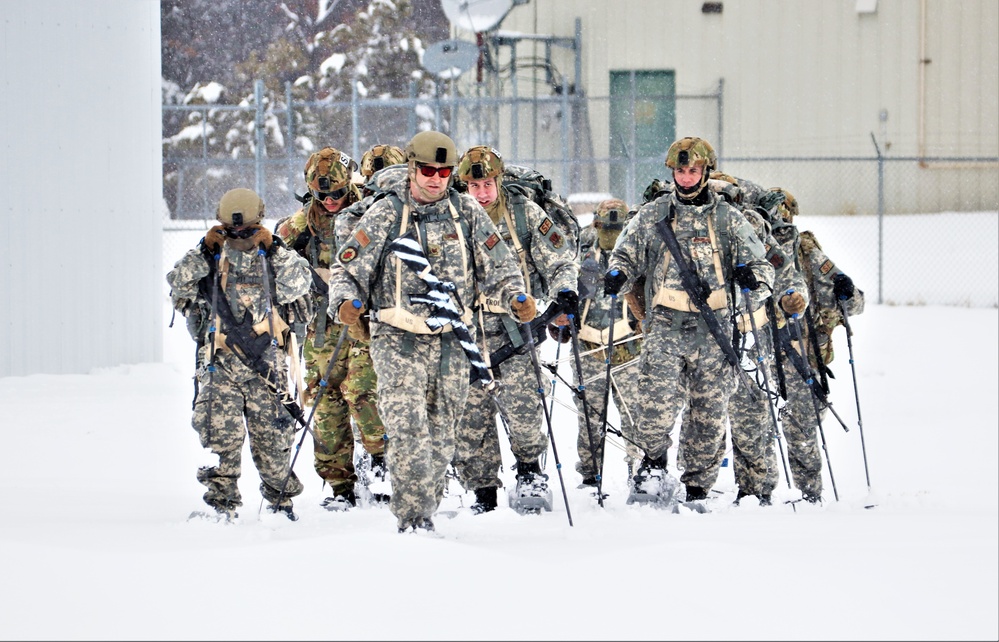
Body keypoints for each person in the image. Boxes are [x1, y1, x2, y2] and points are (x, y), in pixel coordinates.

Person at [327, 131, 530, 533]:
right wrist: (346, 303)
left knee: (441, 435)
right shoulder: (386, 213)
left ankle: (425, 509)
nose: (435, 179)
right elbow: (347, 268)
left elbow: (501, 267)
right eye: (427, 170)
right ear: (412, 170)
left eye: (442, 171)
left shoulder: (467, 212)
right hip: (398, 338)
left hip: (453, 340)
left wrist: (515, 296)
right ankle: (413, 520)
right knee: (408, 429)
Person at [606, 136, 775, 504]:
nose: (685, 177)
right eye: (680, 171)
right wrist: (618, 274)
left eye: (692, 170)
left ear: (705, 172)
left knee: (708, 413)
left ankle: (698, 485)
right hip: (665, 323)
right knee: (654, 404)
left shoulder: (728, 219)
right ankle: (652, 465)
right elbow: (625, 254)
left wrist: (753, 280)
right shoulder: (654, 214)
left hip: (712, 327)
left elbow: (763, 268)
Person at [167, 187, 313, 521]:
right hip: (221, 364)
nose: (241, 238)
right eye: (233, 232)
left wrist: (274, 247)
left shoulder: (274, 254)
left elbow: (299, 286)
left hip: (267, 365)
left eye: (247, 231)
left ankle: (281, 503)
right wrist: (204, 250)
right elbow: (179, 284)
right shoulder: (211, 255)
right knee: (222, 438)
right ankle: (222, 504)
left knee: (273, 441)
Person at [449, 145, 580, 514]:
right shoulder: (450, 216)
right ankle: (483, 491)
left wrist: (564, 290)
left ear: (499, 180)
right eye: (474, 186)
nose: (482, 193)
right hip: (466, 333)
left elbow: (559, 259)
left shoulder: (524, 213)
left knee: (524, 412)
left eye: (488, 183)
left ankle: (529, 472)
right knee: (470, 420)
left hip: (516, 329)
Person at [275, 147, 388, 510]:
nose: (330, 201)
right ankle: (340, 486)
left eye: (337, 194)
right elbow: (275, 263)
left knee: (364, 394)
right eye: (322, 196)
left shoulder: (369, 213)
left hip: (364, 324)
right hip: (321, 330)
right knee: (325, 405)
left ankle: (383, 462)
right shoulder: (299, 226)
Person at [761, 187, 866, 503]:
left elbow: (856, 303)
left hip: (801, 358)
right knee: (754, 432)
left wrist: (845, 291)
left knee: (802, 432)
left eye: (783, 219)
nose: (779, 227)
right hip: (758, 357)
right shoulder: (748, 249)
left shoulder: (808, 255)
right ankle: (756, 496)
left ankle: (810, 498)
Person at [550, 198, 643, 489]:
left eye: (617, 228)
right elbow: (560, 282)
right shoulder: (580, 252)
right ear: (596, 225)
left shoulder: (637, 252)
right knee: (589, 417)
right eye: (606, 227)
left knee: (634, 415)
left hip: (630, 343)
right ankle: (591, 476)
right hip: (589, 344)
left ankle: (639, 472)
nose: (611, 235)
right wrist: (560, 318)